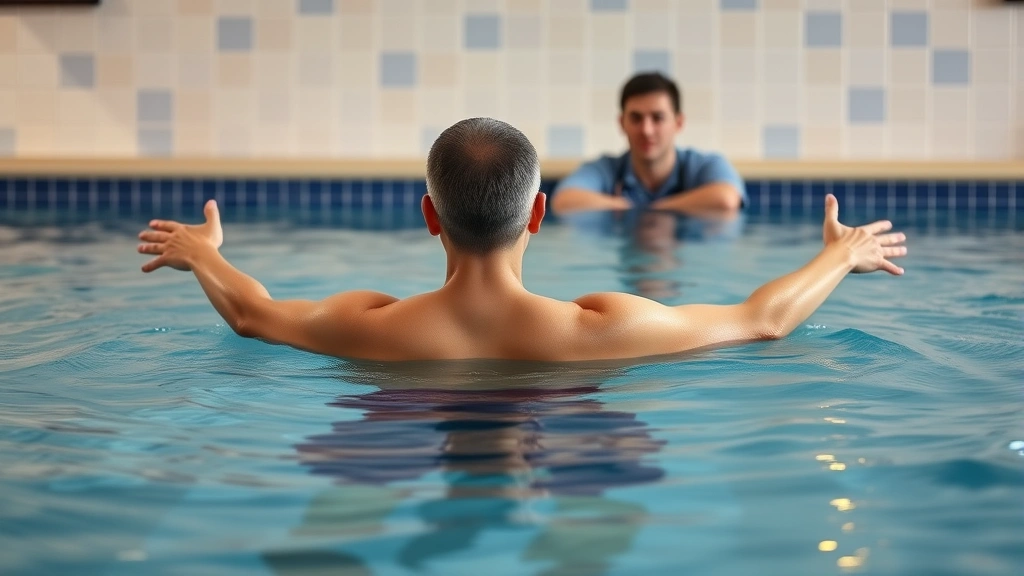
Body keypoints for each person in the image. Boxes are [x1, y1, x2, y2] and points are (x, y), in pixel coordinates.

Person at [137, 117, 907, 362]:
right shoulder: (602, 327)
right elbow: (762, 319)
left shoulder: (370, 324)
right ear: (539, 214)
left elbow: (252, 314)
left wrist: (204, 253)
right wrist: (840, 252)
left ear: (428, 216)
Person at [550, 72, 745, 215]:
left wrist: (650, 209)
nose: (646, 130)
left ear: (678, 123)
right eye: (636, 118)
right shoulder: (606, 169)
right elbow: (564, 201)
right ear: (621, 123)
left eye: (658, 118)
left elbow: (726, 199)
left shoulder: (705, 165)